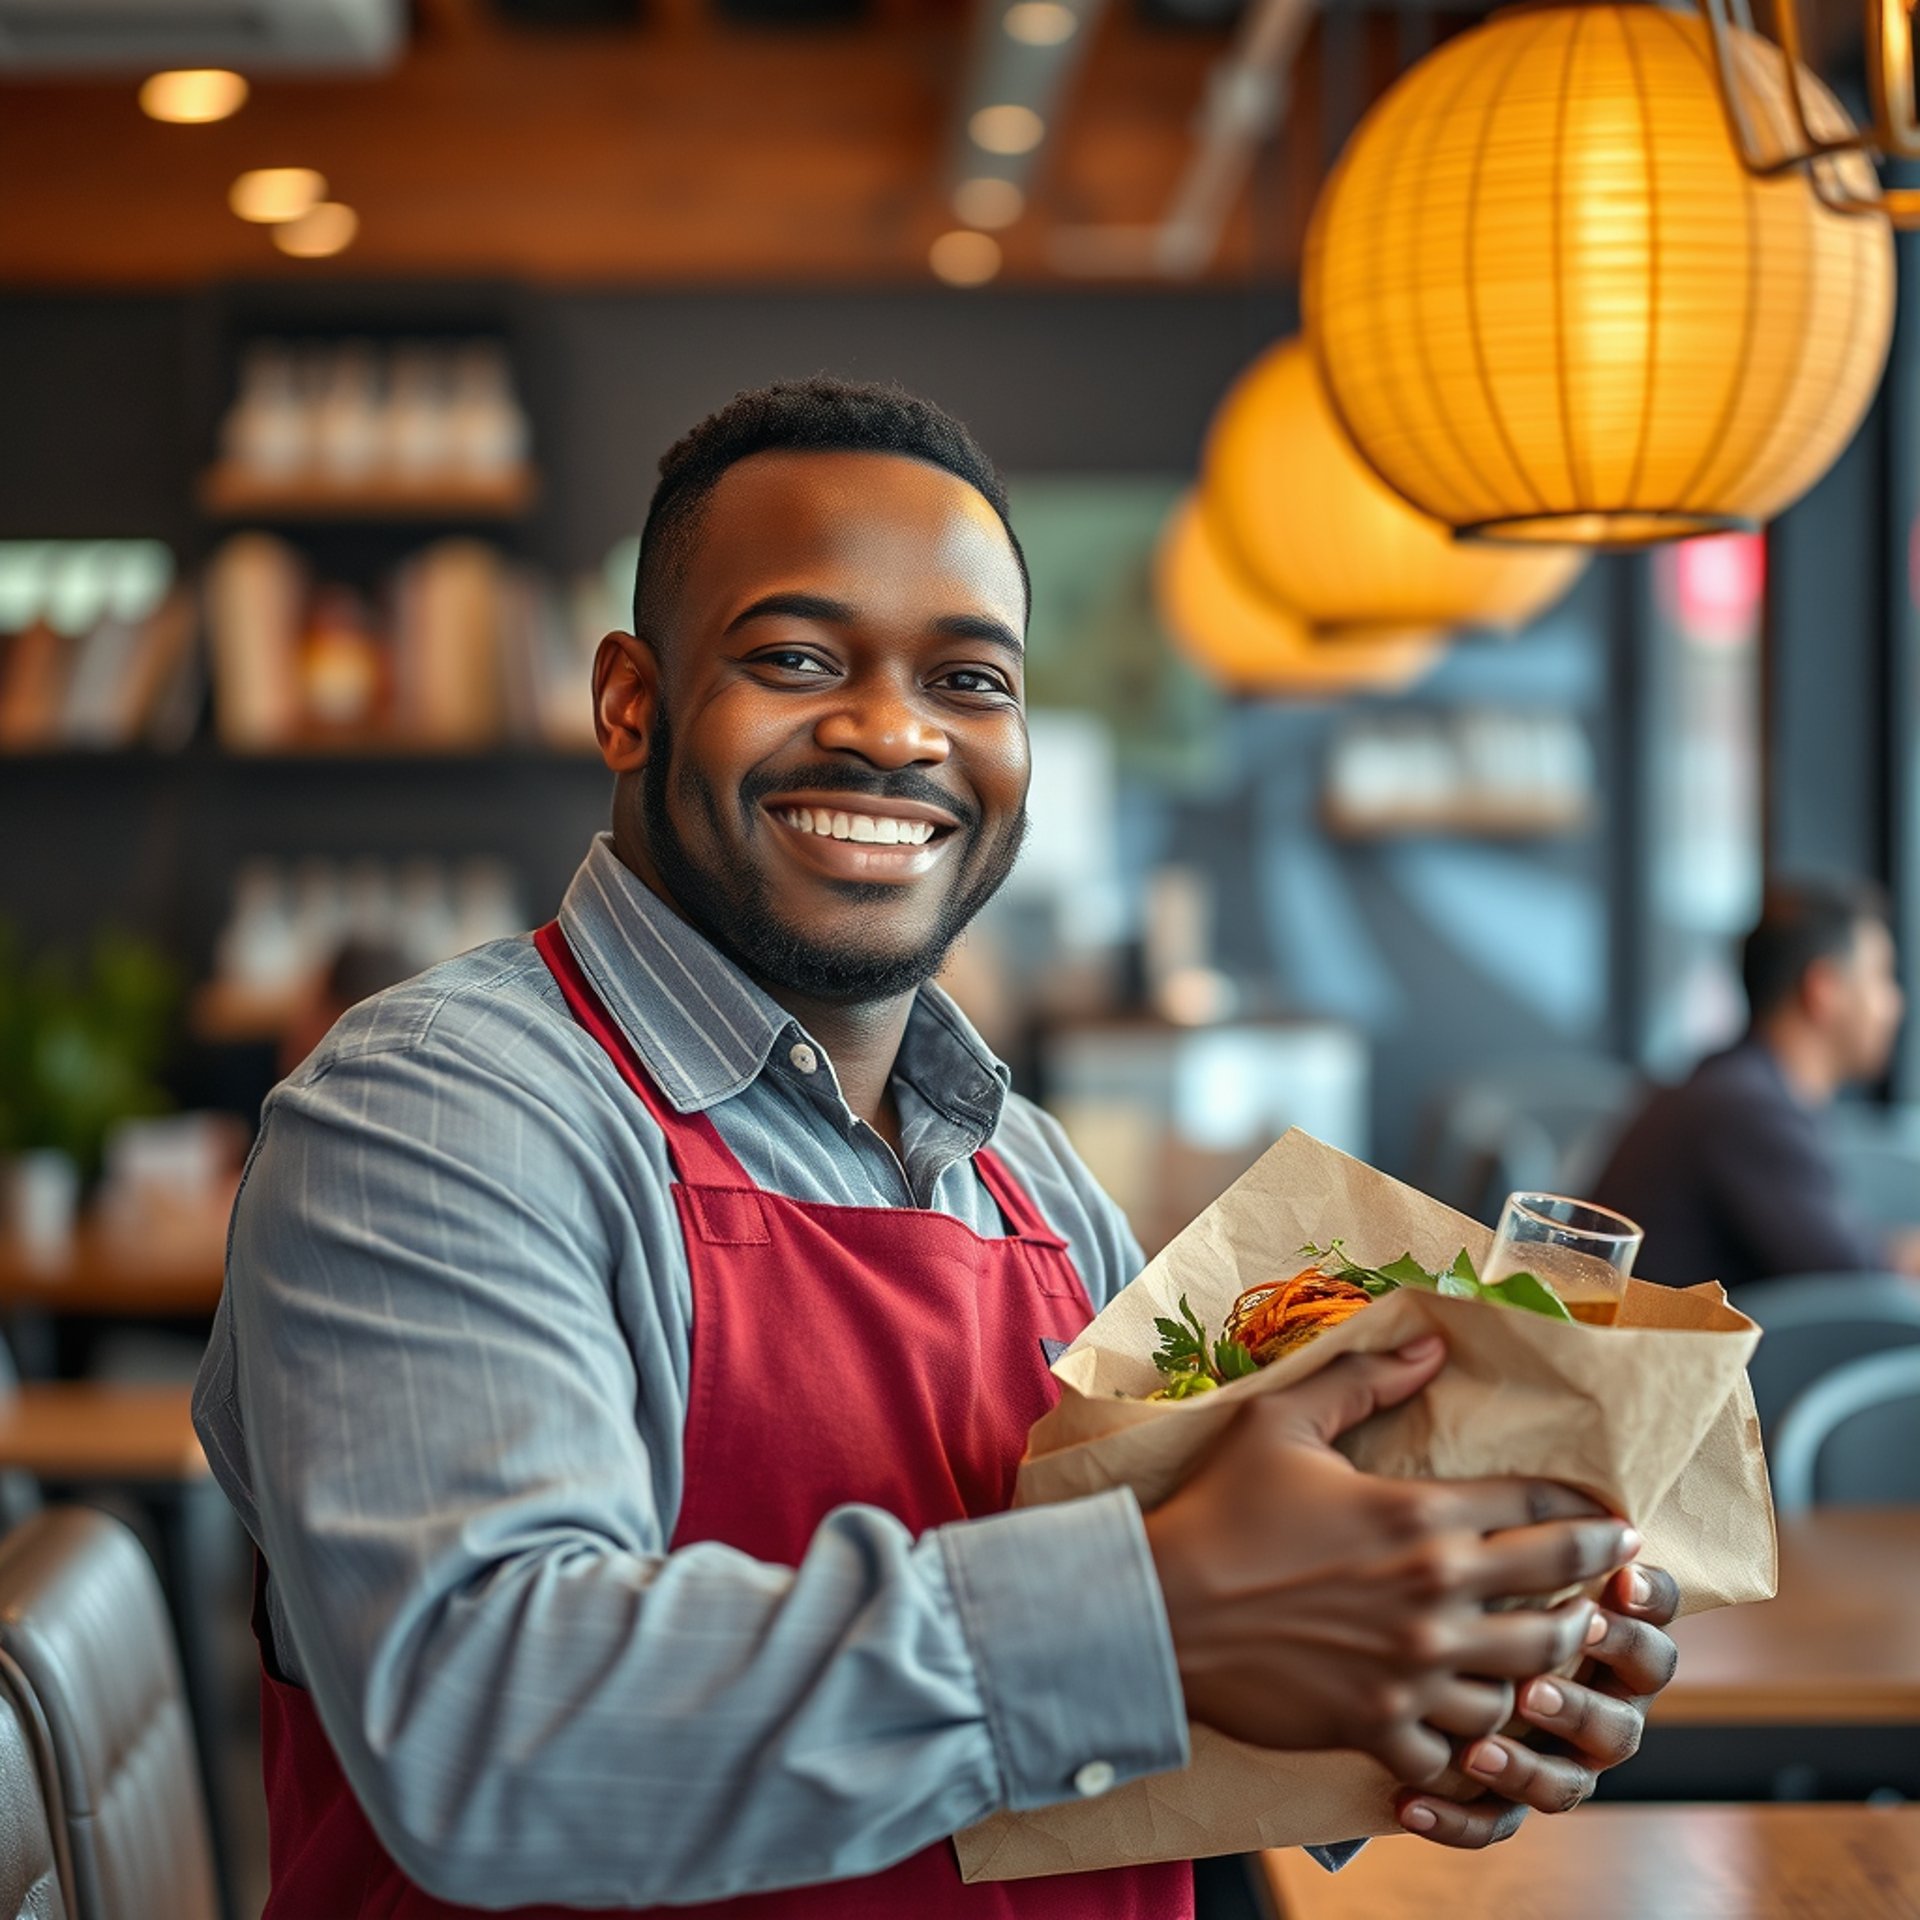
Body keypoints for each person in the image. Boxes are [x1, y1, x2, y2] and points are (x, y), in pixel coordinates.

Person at [193, 380, 1678, 1919]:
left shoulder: (1038, 1180)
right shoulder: (441, 1113)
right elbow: (488, 1727)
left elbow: (1170, 1716)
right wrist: (1165, 1613)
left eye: (970, 679)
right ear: (630, 700)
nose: (895, 730)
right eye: (795, 658)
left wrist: (1434, 1680)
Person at [1595, 876, 1917, 1290]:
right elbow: (1856, 1284)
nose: (1895, 1004)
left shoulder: (1731, 1083)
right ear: (1824, 990)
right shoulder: (1750, 1111)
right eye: (1881, 978)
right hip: (1656, 1349)